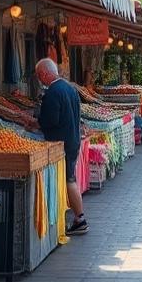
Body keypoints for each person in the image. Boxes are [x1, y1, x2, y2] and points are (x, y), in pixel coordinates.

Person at [34, 58, 88, 235]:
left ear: (45, 73)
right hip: (72, 139)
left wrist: (37, 122)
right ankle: (77, 217)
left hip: (61, 143)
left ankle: (79, 219)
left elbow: (51, 121)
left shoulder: (53, 93)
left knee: (69, 180)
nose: (40, 80)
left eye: (39, 76)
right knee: (70, 178)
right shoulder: (70, 88)